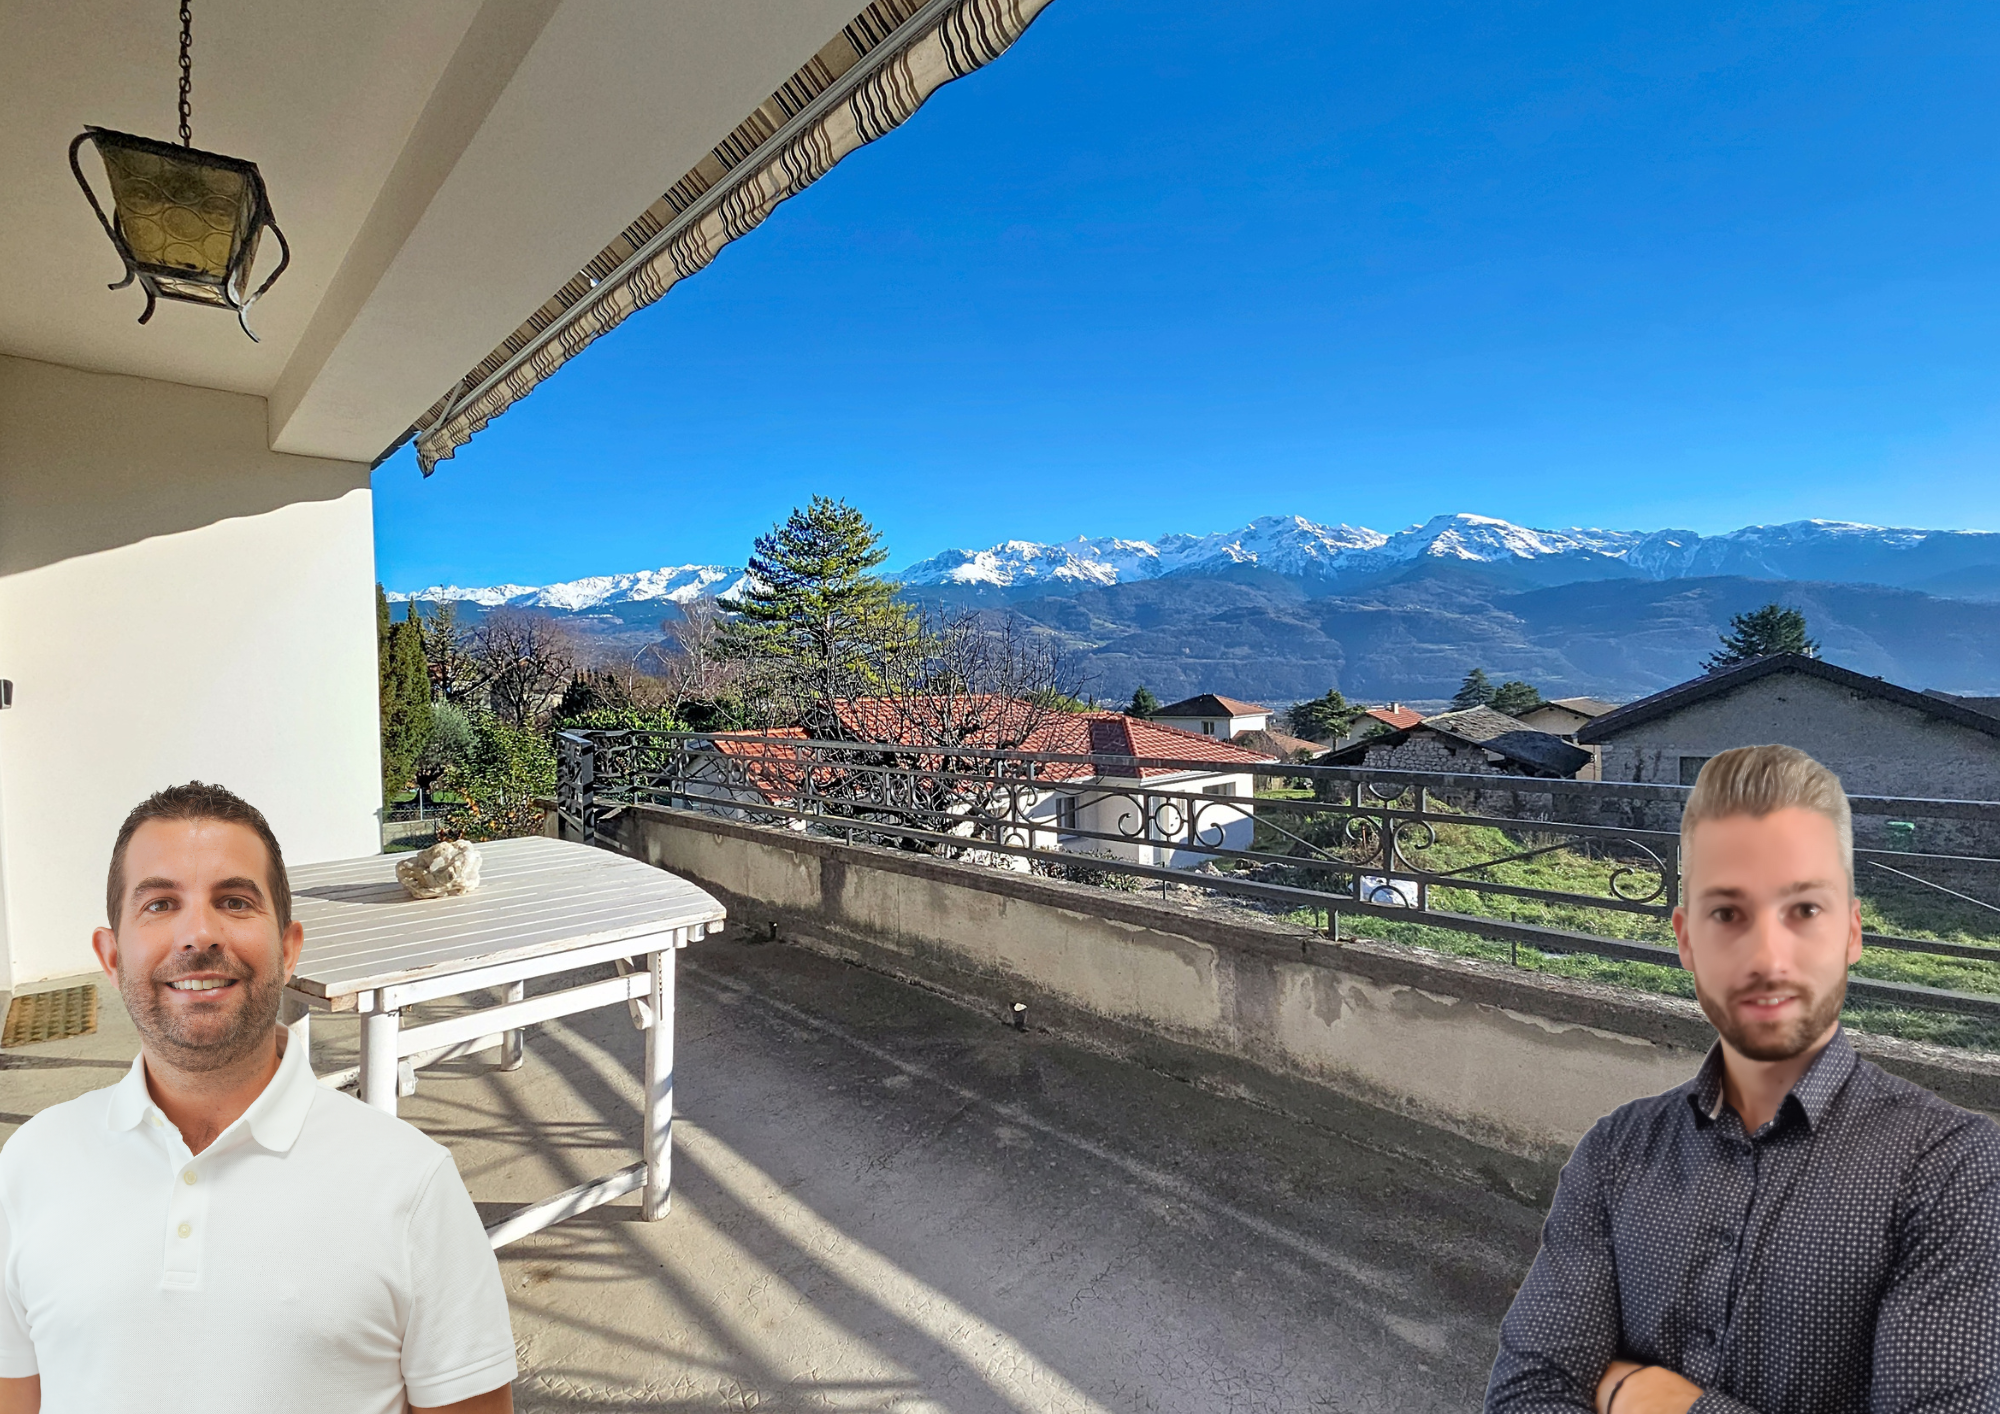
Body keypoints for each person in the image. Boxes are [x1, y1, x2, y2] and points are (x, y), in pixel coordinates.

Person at [1486, 744, 2000, 1414]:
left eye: (1804, 910)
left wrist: (1651, 1397)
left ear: (1851, 933)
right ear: (1686, 940)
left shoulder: (1955, 1172)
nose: (1767, 956)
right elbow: (1527, 1391)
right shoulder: (1615, 1152)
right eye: (1728, 913)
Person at [0, 783, 517, 1414]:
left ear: (288, 949)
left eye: (234, 901)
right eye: (160, 903)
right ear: (111, 957)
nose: (199, 933)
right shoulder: (29, 1165)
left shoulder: (413, 1187)